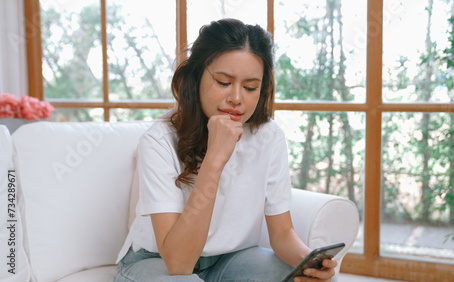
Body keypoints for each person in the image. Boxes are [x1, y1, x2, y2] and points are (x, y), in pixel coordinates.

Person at [114, 18, 338, 282]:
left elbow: (282, 233)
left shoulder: (269, 136)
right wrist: (214, 159)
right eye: (223, 82)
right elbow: (179, 264)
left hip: (231, 259)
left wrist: (309, 260)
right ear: (195, 79)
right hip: (157, 262)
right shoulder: (159, 140)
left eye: (250, 87)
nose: (236, 98)